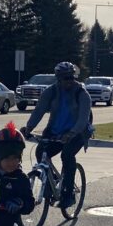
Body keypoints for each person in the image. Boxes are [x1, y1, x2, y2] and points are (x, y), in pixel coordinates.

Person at [24, 61, 92, 209]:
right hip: (55, 132)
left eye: (71, 77)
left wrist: (72, 133)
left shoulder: (82, 94)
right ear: (58, 78)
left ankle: (68, 194)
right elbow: (39, 111)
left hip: (77, 133)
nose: (69, 81)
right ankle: (52, 182)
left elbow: (83, 119)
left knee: (67, 155)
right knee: (40, 151)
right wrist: (29, 127)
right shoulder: (51, 92)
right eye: (64, 78)